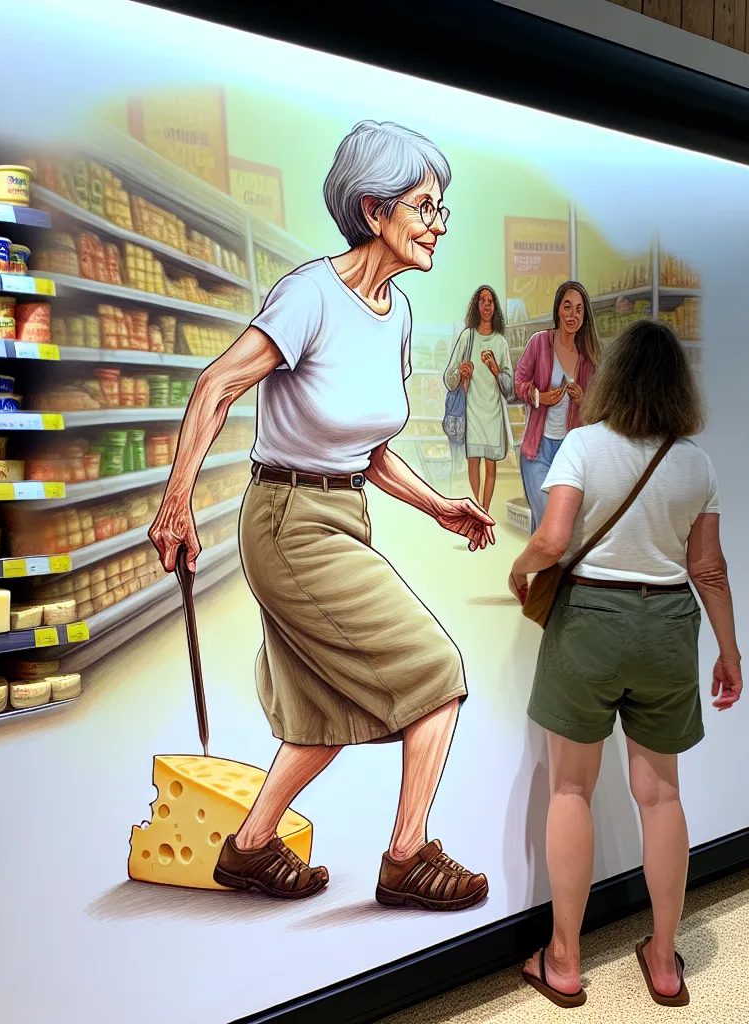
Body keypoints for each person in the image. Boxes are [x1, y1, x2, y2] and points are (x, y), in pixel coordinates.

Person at [149, 120, 493, 911]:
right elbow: (216, 387)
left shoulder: (397, 314)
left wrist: (439, 505)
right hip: (288, 522)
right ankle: (407, 858)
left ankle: (248, 850)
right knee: (437, 676)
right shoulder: (310, 294)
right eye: (425, 207)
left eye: (443, 210)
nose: (439, 224)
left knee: (321, 714)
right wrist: (177, 506)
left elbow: (368, 451)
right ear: (374, 211)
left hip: (345, 516)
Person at [508, 319, 743, 1008]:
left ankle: (565, 961)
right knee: (663, 796)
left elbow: (553, 539)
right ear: (677, 386)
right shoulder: (695, 463)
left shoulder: (582, 444)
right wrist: (727, 652)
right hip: (668, 628)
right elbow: (709, 567)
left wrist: (522, 569)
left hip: (588, 624)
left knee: (570, 791)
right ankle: (665, 962)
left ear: (612, 378)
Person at [514, 281, 600, 534]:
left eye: (579, 310)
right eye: (567, 307)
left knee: (555, 524)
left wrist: (583, 400)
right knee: (546, 517)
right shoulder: (540, 342)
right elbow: (519, 383)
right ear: (558, 310)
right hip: (536, 449)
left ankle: (540, 572)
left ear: (584, 316)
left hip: (570, 450)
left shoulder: (588, 357)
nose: (572, 315)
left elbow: (597, 406)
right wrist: (540, 397)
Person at [444, 285, 514, 511]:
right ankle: (476, 512)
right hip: (471, 410)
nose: (486, 305)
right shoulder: (467, 337)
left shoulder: (501, 343)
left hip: (493, 413)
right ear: (476, 306)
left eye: (490, 301)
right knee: (473, 463)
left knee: (491, 467)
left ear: (495, 307)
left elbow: (509, 386)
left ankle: (485, 511)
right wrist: (460, 373)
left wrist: (495, 368)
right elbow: (448, 377)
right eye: (482, 301)